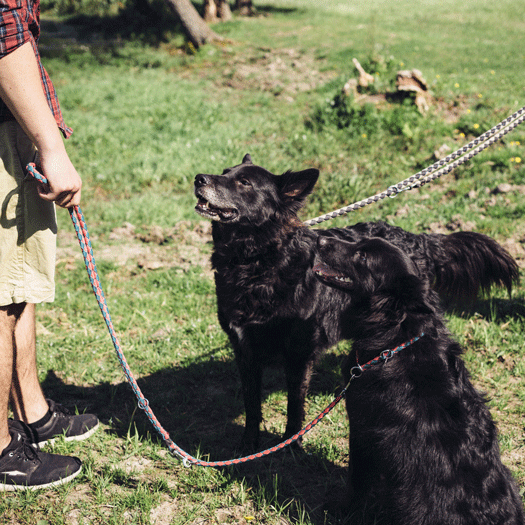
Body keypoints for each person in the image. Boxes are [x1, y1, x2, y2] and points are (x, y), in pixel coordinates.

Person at [0, 0, 99, 490]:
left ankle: (31, 412)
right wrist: (51, 146)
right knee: (0, 290)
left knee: (16, 277)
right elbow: (2, 28)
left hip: (9, 122)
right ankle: (0, 450)